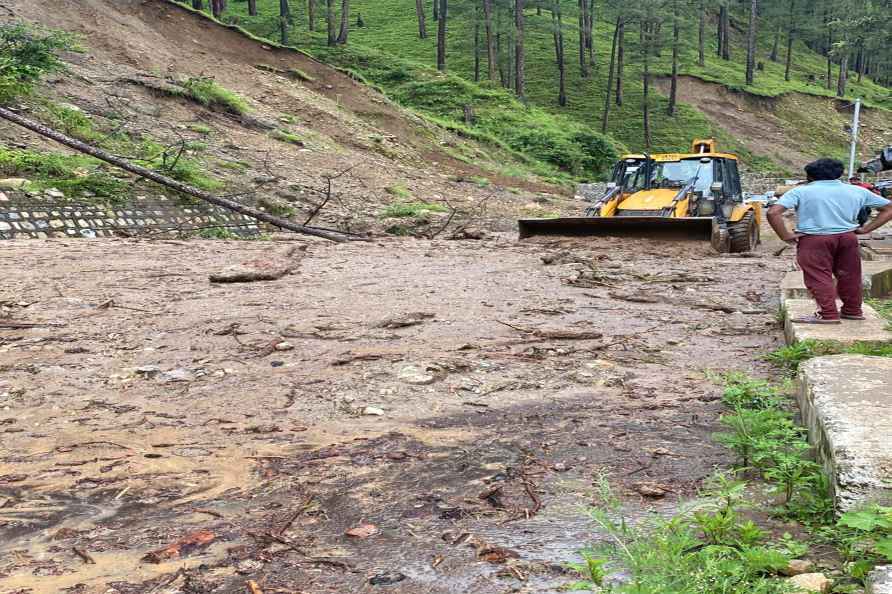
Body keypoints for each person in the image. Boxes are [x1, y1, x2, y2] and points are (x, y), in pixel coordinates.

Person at [767, 158, 892, 324]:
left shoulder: (800, 191)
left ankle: (827, 314)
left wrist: (785, 235)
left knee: (818, 275)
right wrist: (866, 229)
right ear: (838, 174)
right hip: (848, 237)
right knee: (850, 275)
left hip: (814, 239)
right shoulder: (856, 190)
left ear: (810, 176)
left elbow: (773, 213)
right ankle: (852, 310)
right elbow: (888, 208)